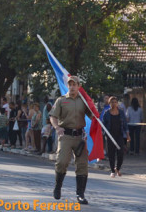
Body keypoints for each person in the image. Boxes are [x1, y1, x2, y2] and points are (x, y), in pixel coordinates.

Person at [49, 76, 92, 204]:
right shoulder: (61, 100)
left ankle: (80, 194)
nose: (72, 87)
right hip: (65, 135)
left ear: (79, 86)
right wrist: (57, 128)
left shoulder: (84, 101)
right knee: (62, 162)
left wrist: (93, 110)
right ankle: (58, 187)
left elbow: (93, 115)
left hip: (80, 136)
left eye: (74, 84)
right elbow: (53, 116)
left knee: (83, 165)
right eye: (70, 84)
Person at [103, 96, 130, 178]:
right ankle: (112, 171)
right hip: (110, 136)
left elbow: (125, 124)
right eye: (112, 102)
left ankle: (117, 168)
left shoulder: (121, 112)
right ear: (109, 103)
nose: (113, 104)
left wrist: (128, 135)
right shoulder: (106, 113)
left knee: (121, 153)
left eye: (115, 102)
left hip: (119, 135)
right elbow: (103, 125)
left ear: (117, 103)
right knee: (111, 154)